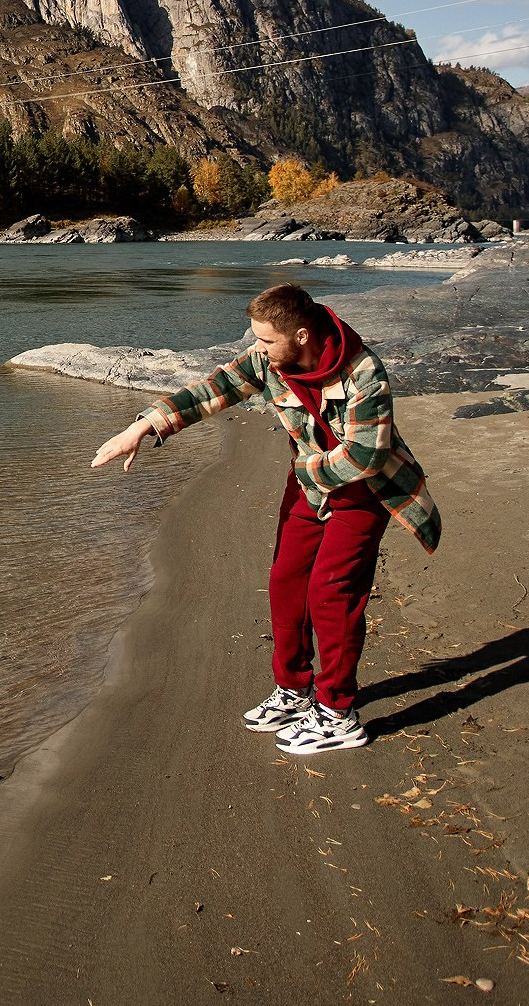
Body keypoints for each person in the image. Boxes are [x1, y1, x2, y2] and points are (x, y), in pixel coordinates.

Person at [91, 282, 438, 754]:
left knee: (332, 592)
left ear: (301, 335)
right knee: (286, 582)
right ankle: (294, 690)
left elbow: (365, 456)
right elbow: (213, 389)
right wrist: (143, 426)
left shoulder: (364, 372)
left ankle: (339, 713)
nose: (256, 348)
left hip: (364, 488)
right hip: (312, 481)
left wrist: (305, 469)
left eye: (265, 339)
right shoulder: (267, 361)